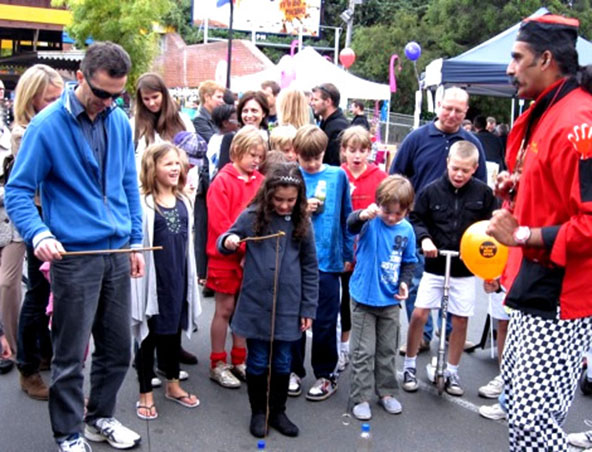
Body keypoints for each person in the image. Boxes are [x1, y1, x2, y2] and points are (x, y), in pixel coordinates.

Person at [5, 41, 144, 451]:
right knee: (69, 357)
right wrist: (40, 233)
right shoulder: (46, 125)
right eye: (101, 93)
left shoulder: (118, 120)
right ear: (80, 77)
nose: (108, 102)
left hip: (116, 250)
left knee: (118, 348)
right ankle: (67, 432)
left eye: (118, 95)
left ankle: (100, 416)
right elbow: (17, 192)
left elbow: (127, 185)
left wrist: (135, 239)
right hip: (73, 255)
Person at [486, 14, 592, 450]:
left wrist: (524, 233)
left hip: (562, 293)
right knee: (521, 411)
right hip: (536, 281)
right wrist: (518, 186)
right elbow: (557, 192)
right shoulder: (548, 110)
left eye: (517, 58)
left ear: (546, 59)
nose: (509, 69)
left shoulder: (579, 121)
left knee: (533, 420)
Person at [218, 162, 318, 438]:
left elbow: (310, 267)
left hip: (288, 307)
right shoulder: (252, 216)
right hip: (256, 306)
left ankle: (278, 411)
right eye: (278, 199)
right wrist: (229, 241)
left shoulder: (302, 222)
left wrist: (308, 307)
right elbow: (227, 238)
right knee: (259, 360)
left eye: (291, 200)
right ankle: (258, 412)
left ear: (299, 198)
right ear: (267, 194)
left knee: (284, 361)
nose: (284, 205)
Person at [389, 86, 488, 356]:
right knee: (418, 284)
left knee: (452, 285)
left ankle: (451, 335)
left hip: (457, 233)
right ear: (439, 105)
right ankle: (421, 336)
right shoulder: (417, 138)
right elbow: (396, 176)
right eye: (448, 108)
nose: (452, 114)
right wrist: (402, 212)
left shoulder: (472, 145)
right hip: (419, 227)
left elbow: (482, 189)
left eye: (459, 110)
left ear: (466, 112)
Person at [402, 141, 495, 397]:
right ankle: (410, 365)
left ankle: (452, 370)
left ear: (475, 168)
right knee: (419, 313)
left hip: (464, 269)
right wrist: (425, 239)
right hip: (434, 265)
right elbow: (417, 219)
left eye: (465, 170)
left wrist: (486, 264)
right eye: (455, 168)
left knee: (460, 320)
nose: (459, 175)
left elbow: (491, 229)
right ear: (448, 164)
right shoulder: (431, 191)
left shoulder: (484, 194)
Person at [132, 142, 202, 421]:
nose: (174, 168)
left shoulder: (184, 199)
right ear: (153, 168)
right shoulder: (143, 202)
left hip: (178, 278)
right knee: (148, 336)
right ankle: (145, 393)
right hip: (152, 281)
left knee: (172, 332)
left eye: (177, 163)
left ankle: (173, 383)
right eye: (168, 164)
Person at [10, 64, 63, 399]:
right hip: (38, 218)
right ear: (31, 99)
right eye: (49, 99)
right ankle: (27, 367)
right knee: (38, 293)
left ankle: (42, 354)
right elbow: (28, 187)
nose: (56, 104)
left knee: (49, 293)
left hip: (55, 216)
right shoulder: (25, 133)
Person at [289, 124, 353, 401]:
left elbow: (346, 217)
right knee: (294, 319)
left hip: (329, 260)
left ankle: (326, 374)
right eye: (307, 158)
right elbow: (278, 212)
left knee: (326, 321)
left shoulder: (338, 175)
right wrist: (300, 209)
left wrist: (349, 253)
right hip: (296, 260)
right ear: (296, 154)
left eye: (317, 157)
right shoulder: (291, 176)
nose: (313, 163)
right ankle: (292, 370)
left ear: (326, 151)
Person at [347, 175, 417, 421]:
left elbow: (409, 262)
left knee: (387, 349)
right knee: (362, 351)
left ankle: (386, 392)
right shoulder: (371, 221)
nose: (392, 217)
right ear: (378, 205)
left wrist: (405, 283)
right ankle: (361, 396)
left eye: (399, 213)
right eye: (387, 211)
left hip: (390, 299)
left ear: (408, 210)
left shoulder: (407, 229)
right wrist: (363, 215)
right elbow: (351, 224)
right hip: (364, 298)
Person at [206, 125, 265, 389]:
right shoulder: (222, 181)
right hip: (225, 256)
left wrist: (251, 251)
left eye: (260, 156)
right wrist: (240, 249)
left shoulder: (260, 181)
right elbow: (221, 224)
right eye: (252, 154)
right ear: (236, 152)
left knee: (243, 309)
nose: (256, 160)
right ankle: (218, 362)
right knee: (225, 309)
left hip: (250, 257)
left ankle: (239, 358)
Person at [337, 126, 387, 373]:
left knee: (368, 302)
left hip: (369, 250)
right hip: (343, 248)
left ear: (370, 151)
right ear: (343, 151)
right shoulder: (338, 174)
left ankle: (370, 351)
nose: (357, 155)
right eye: (351, 150)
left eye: (362, 150)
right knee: (344, 299)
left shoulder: (380, 177)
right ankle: (344, 347)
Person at [133, 72, 195, 170]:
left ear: (164, 94)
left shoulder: (183, 121)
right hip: (144, 182)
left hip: (178, 182)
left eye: (155, 97)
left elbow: (192, 158)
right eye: (146, 99)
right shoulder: (134, 124)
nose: (151, 103)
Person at [216, 91, 270, 172]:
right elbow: (223, 170)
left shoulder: (270, 138)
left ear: (264, 113)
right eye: (245, 111)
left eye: (254, 111)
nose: (249, 115)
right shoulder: (230, 139)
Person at [311, 83, 349, 166]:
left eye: (316, 100)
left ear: (328, 101)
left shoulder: (338, 128)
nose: (312, 103)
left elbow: (335, 163)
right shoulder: (327, 123)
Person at [206, 104, 239, 179]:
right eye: (236, 120)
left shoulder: (213, 138)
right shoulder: (229, 140)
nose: (238, 124)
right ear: (225, 123)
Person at [472, 114, 506, 187]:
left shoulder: (473, 138)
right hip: (495, 168)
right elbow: (502, 155)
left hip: (480, 168)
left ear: (474, 126)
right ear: (486, 125)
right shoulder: (496, 138)